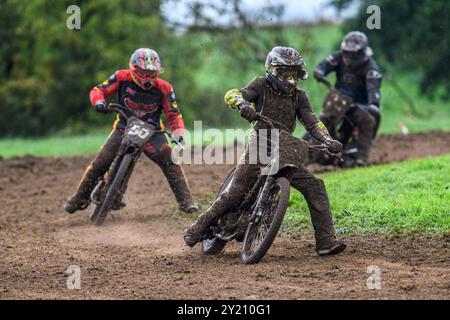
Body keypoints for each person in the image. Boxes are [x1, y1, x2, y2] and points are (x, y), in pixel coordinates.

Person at [184, 46, 346, 256]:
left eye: (294, 74)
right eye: (285, 73)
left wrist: (327, 139)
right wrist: (243, 105)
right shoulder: (260, 84)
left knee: (315, 186)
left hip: (285, 146)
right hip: (260, 142)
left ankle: (326, 241)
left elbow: (312, 122)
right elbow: (232, 94)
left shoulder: (300, 96)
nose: (290, 80)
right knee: (236, 191)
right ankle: (198, 228)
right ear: (272, 70)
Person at [64, 48, 198, 214]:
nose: (148, 78)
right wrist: (99, 102)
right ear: (134, 68)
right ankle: (79, 198)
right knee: (101, 162)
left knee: (169, 159)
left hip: (152, 133)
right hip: (124, 127)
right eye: (143, 72)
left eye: (152, 73)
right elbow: (98, 90)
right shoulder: (121, 77)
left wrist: (179, 134)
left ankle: (186, 202)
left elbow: (174, 114)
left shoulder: (165, 88)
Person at [313, 31, 382, 167]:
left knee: (367, 120)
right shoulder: (338, 57)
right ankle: (315, 147)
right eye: (347, 52)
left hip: (358, 105)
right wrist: (320, 72)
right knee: (323, 119)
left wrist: (373, 104)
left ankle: (362, 157)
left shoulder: (371, 69)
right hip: (338, 100)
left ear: (361, 52)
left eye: (353, 53)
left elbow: (374, 91)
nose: (349, 56)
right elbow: (324, 65)